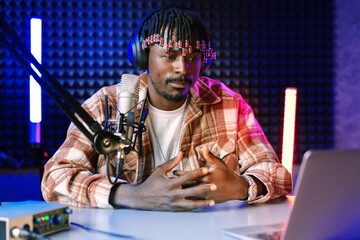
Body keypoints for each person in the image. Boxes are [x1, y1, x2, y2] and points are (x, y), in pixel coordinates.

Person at [41, 6, 292, 211]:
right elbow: (55, 179)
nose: (182, 68)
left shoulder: (229, 104)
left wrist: (241, 186)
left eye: (192, 57)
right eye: (170, 55)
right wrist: (132, 195)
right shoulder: (105, 105)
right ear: (143, 56)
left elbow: (279, 175)